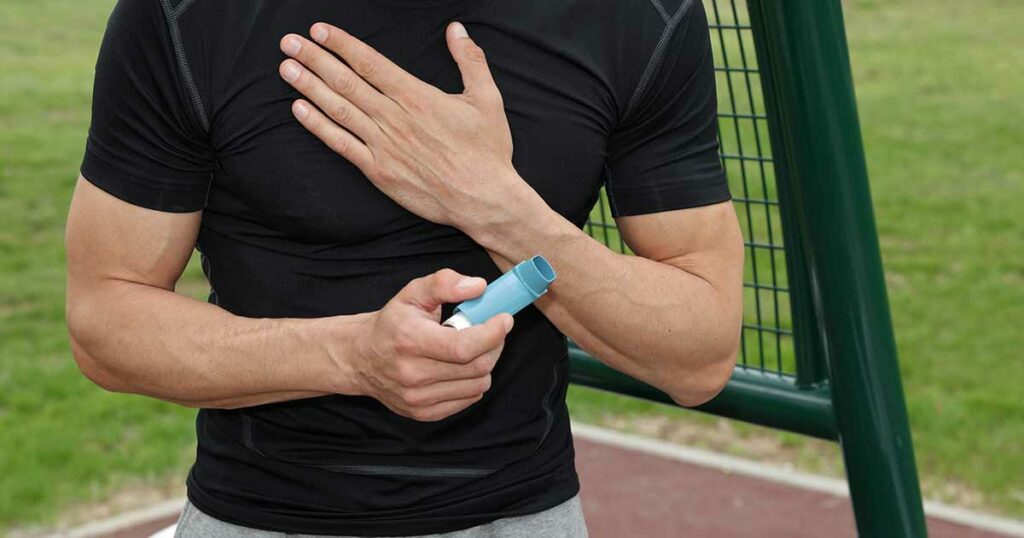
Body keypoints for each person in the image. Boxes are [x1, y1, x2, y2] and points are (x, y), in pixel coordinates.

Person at [65, 0, 744, 536]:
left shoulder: (638, 16)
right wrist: (351, 357)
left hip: (523, 515)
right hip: (258, 515)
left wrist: (494, 204)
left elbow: (700, 354)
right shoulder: (188, 16)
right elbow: (106, 318)